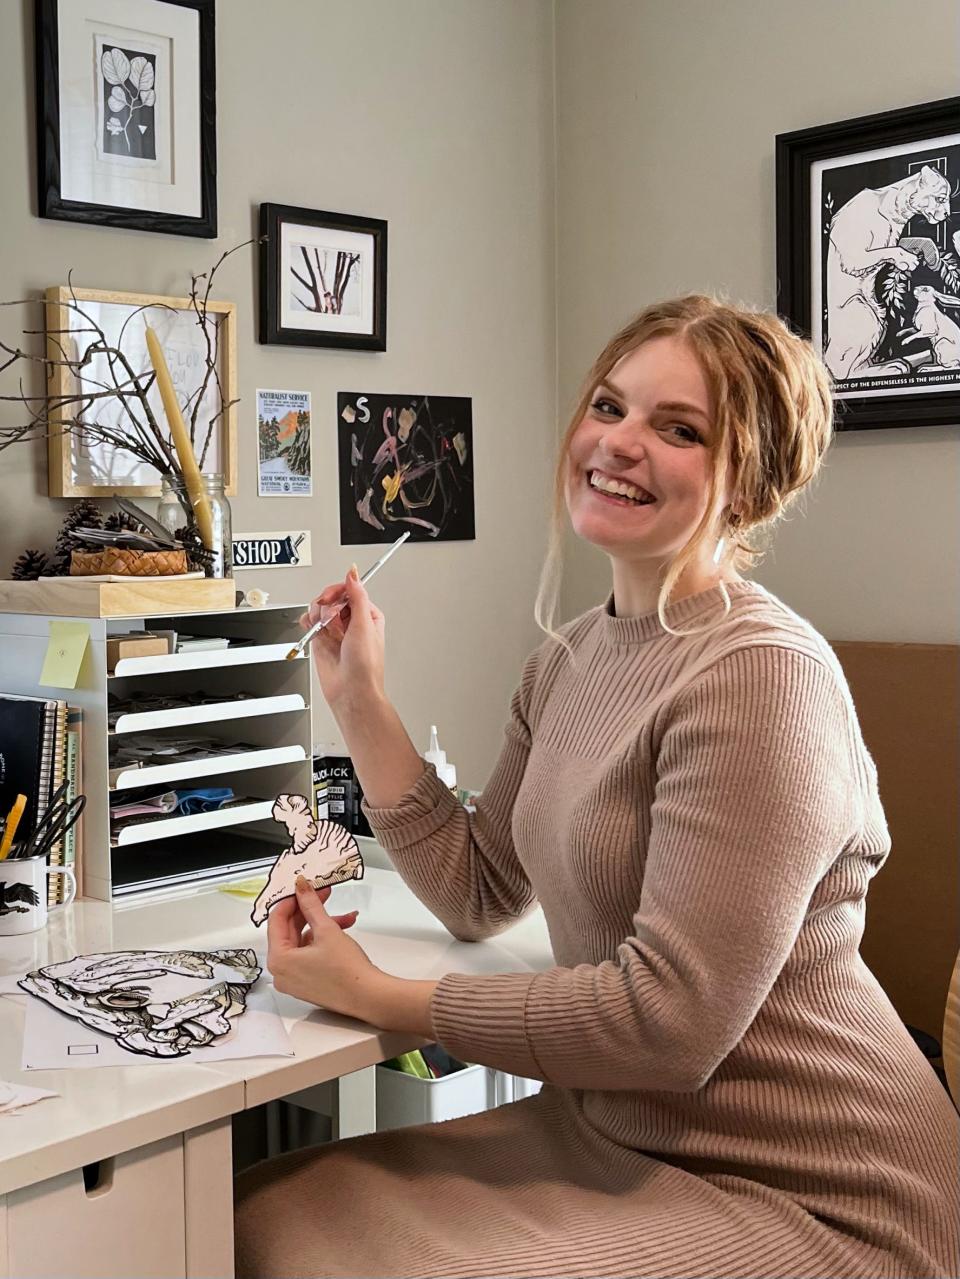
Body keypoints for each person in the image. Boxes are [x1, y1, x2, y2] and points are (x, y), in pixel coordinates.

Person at [235, 295, 959, 1279]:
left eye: (680, 429)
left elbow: (668, 1026)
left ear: (749, 488)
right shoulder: (569, 660)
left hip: (821, 1192)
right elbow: (481, 891)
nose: (618, 445)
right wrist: (360, 698)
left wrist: (385, 997)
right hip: (616, 1132)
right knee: (238, 1214)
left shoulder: (759, 675)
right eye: (611, 407)